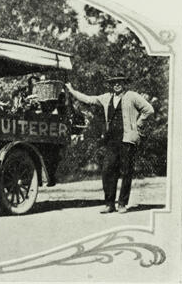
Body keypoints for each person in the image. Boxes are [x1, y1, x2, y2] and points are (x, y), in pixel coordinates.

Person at [65, 75, 154, 214]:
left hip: (127, 139)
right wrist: (71, 90)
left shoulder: (132, 96)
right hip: (111, 140)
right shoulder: (107, 97)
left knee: (126, 171)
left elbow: (149, 110)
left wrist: (138, 124)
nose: (116, 85)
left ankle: (122, 204)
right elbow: (89, 99)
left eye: (119, 82)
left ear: (124, 84)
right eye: (114, 83)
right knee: (107, 171)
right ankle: (109, 204)